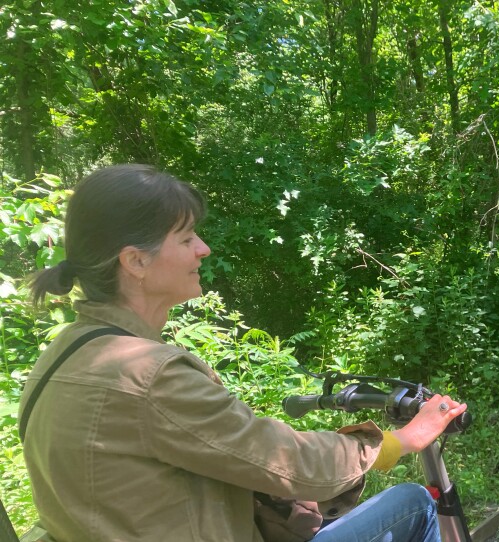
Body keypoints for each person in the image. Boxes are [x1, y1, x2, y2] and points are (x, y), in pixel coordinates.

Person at [23, 164, 467, 542]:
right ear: (135, 261)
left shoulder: (61, 356)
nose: (203, 248)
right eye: (185, 238)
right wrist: (402, 440)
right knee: (411, 503)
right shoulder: (149, 377)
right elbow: (291, 462)